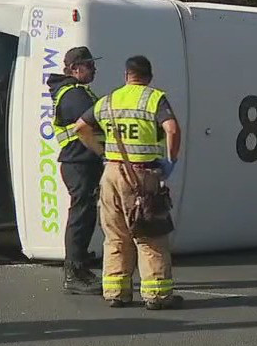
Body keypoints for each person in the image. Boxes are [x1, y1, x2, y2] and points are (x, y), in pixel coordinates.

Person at [71, 55, 183, 310]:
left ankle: (116, 292)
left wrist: (101, 152)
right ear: (149, 77)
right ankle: (157, 295)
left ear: (126, 76)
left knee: (115, 235)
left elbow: (80, 128)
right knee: (149, 234)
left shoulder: (108, 101)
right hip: (142, 175)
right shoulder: (154, 98)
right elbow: (172, 129)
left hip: (111, 172)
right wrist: (171, 160)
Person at [47, 46, 103, 296]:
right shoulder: (74, 95)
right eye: (90, 65)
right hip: (79, 163)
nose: (94, 69)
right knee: (80, 216)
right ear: (75, 68)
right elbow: (89, 126)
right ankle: (74, 271)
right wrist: (103, 152)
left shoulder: (73, 92)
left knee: (84, 214)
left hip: (79, 162)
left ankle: (79, 262)